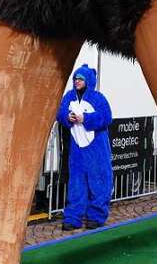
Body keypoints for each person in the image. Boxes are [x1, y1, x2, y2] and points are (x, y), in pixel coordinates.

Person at [56, 64, 112, 231]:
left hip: (96, 149)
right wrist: (67, 117)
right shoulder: (69, 97)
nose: (77, 81)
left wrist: (85, 118)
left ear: (88, 80)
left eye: (80, 79)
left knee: (99, 181)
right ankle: (73, 217)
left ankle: (96, 216)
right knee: (76, 184)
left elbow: (106, 117)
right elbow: (60, 113)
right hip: (77, 150)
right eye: (75, 79)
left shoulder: (98, 98)